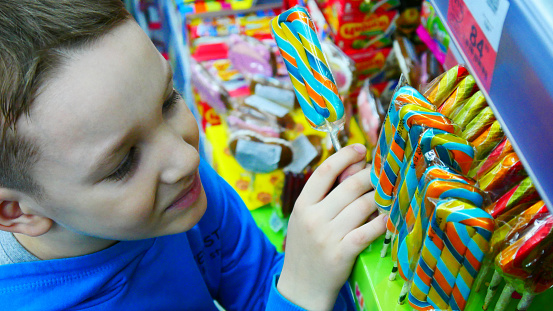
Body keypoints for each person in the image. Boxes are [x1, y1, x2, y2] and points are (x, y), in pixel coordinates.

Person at [0, 1, 386, 310]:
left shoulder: (179, 193)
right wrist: (301, 294)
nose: (186, 159)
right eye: (123, 163)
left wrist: (315, 270)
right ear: (16, 213)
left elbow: (256, 288)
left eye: (168, 101)